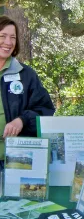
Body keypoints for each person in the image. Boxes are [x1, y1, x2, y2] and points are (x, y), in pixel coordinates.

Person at [0, 16, 55, 168]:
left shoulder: (26, 75)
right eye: (2, 36)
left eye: (13, 37)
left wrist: (22, 120)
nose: (8, 42)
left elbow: (45, 110)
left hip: (16, 160)